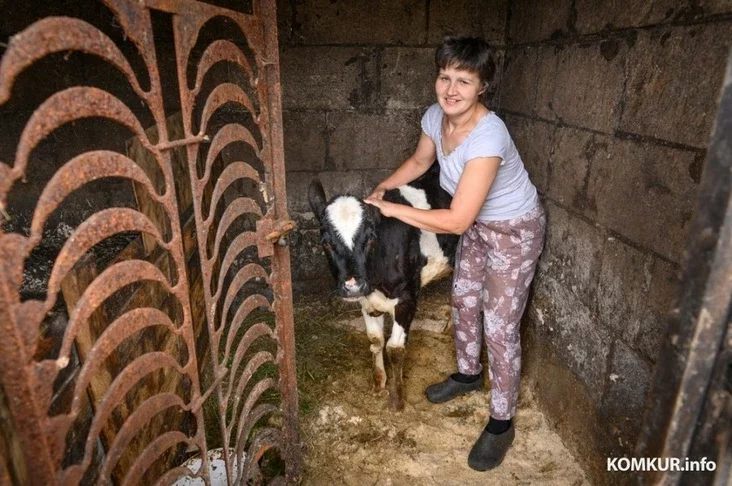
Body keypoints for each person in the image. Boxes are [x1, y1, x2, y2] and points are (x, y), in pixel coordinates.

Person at [364, 36, 546, 471]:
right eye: (444, 77)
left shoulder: (488, 135)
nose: (451, 90)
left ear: (482, 86)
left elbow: (458, 220)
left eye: (464, 81)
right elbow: (419, 162)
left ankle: (502, 423)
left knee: (500, 328)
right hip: (479, 226)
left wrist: (393, 209)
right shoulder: (435, 116)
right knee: (463, 299)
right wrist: (382, 189)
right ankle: (467, 375)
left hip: (513, 230)